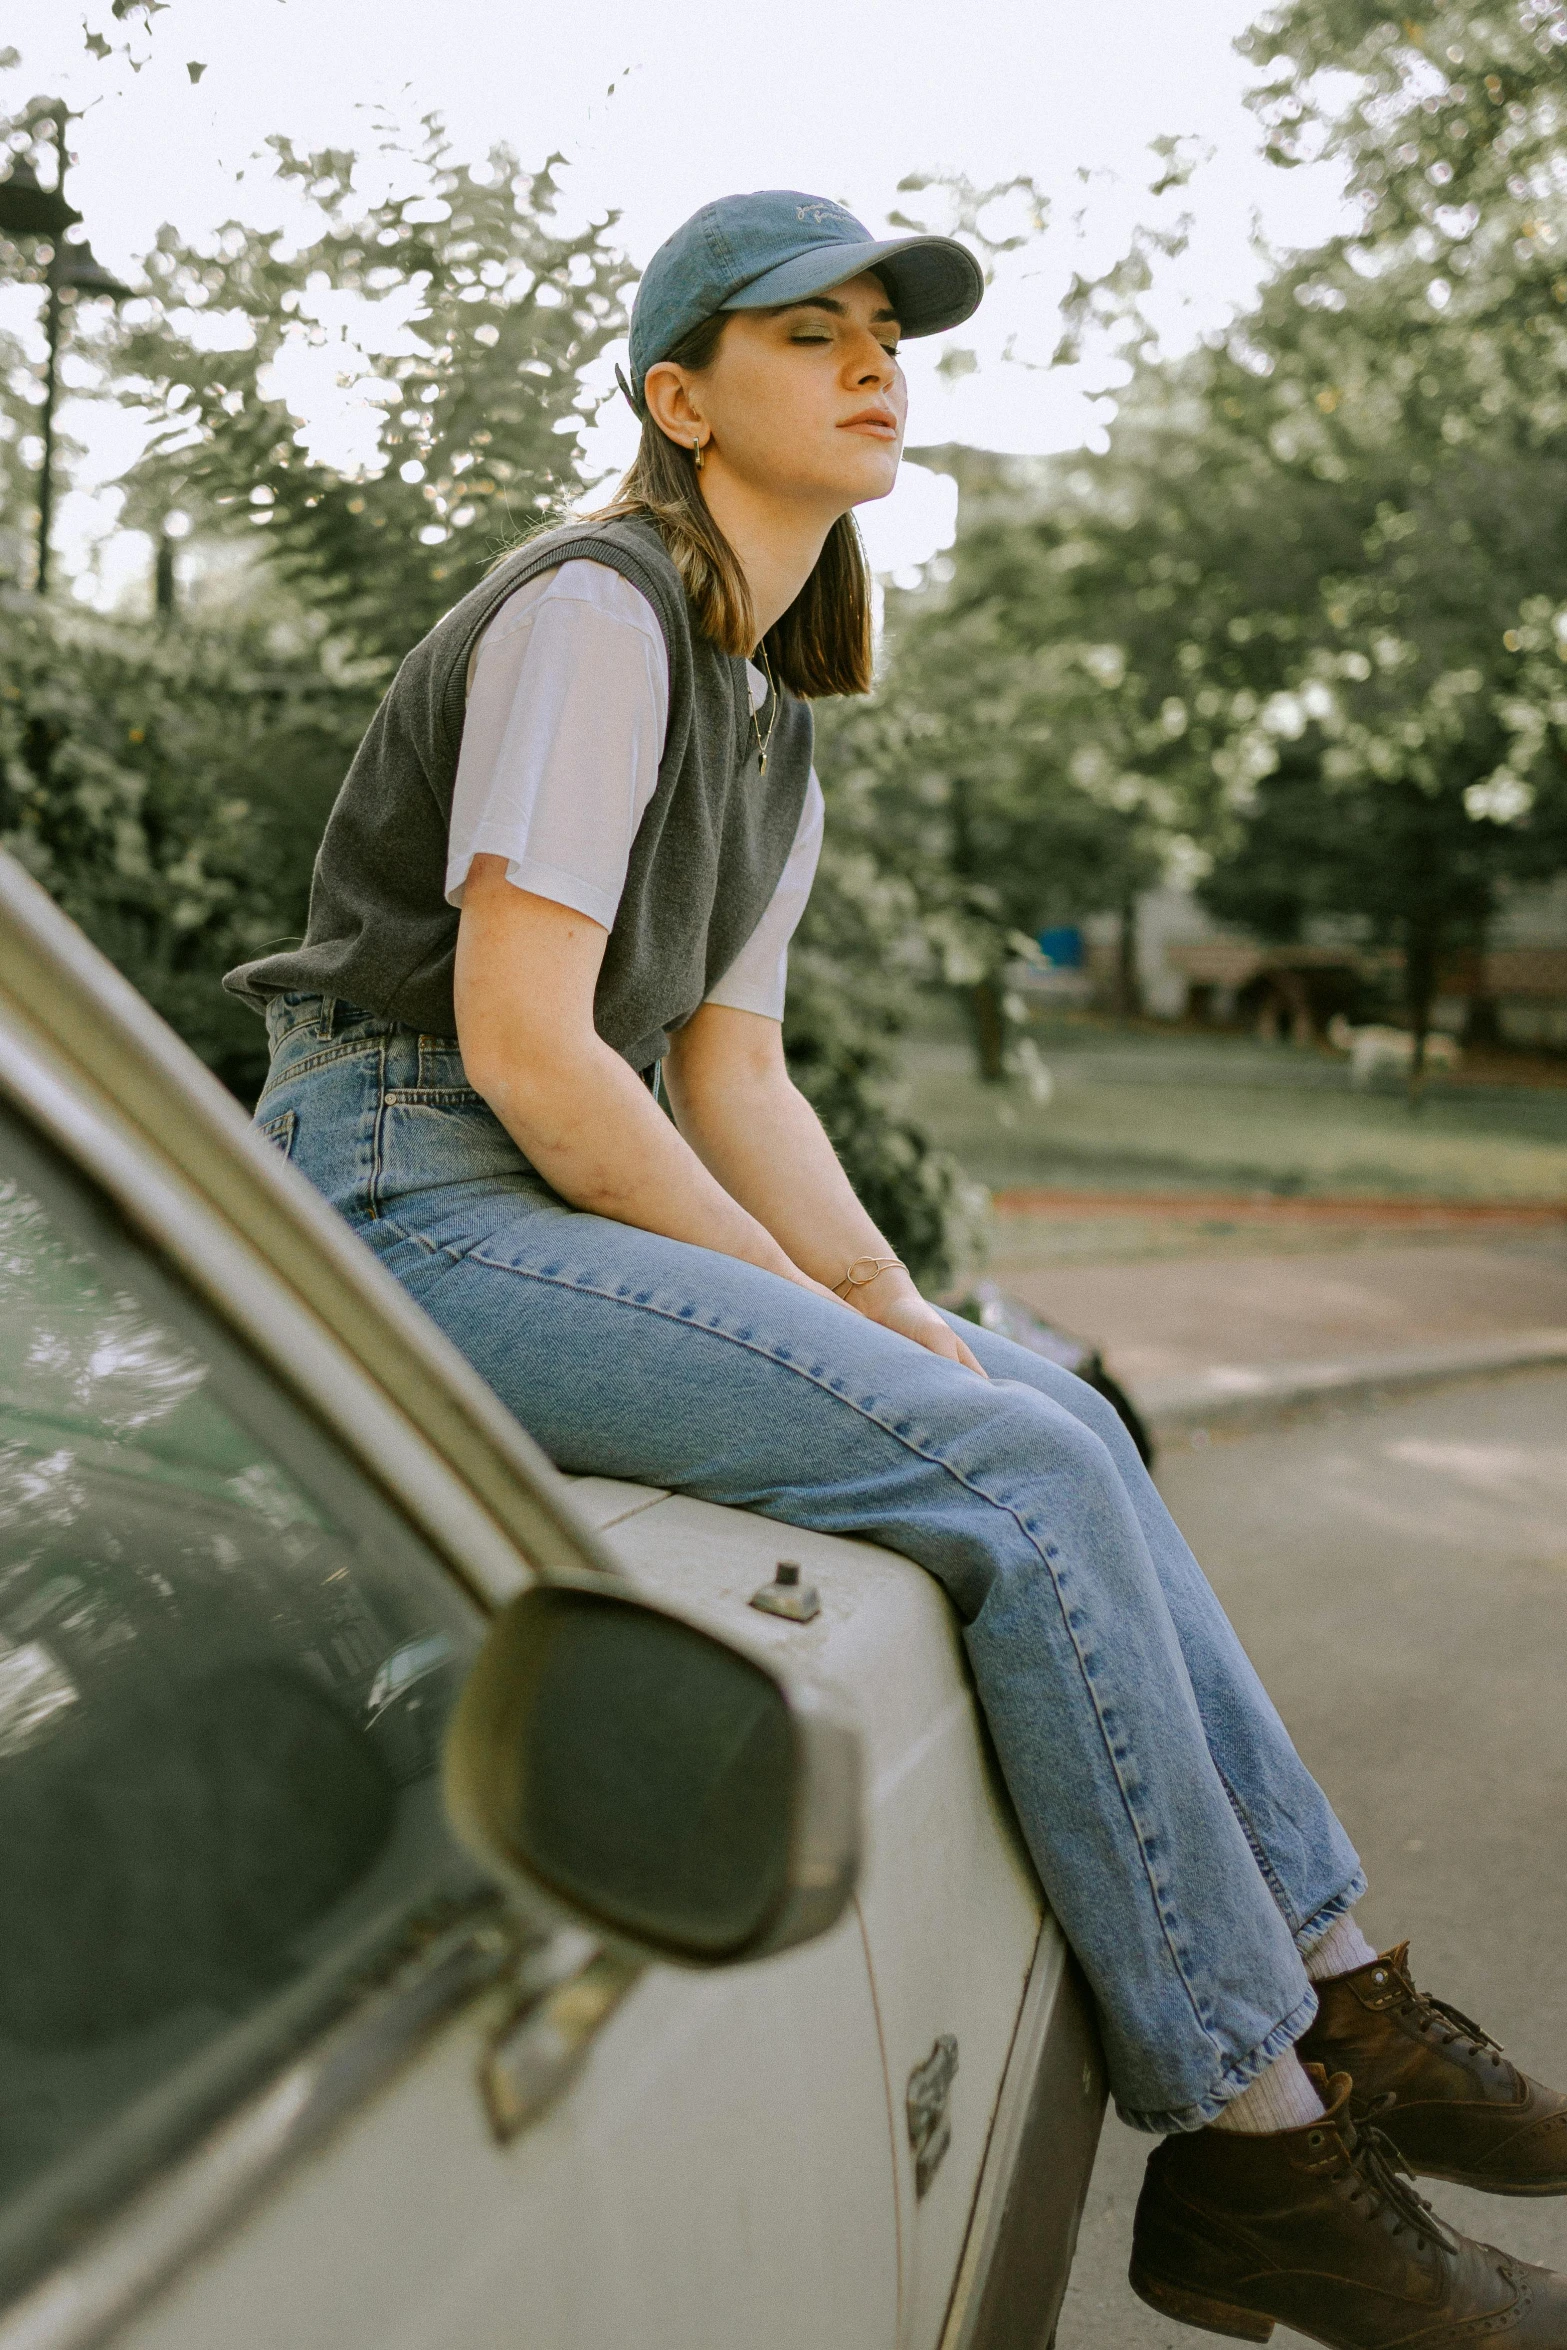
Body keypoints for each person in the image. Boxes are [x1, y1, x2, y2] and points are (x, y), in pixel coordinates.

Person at [227, 191, 1567, 2346]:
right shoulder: (591, 614)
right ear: (681, 397)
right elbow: (522, 1049)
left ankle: (1350, 1998)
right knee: (1002, 1473)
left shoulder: (772, 718)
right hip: (411, 1188)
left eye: (886, 330)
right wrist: (800, 1304)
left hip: (537, 1185)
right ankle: (1260, 2157)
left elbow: (733, 1072)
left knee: (1038, 1408)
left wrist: (885, 1305)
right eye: (806, 333)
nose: (875, 360)